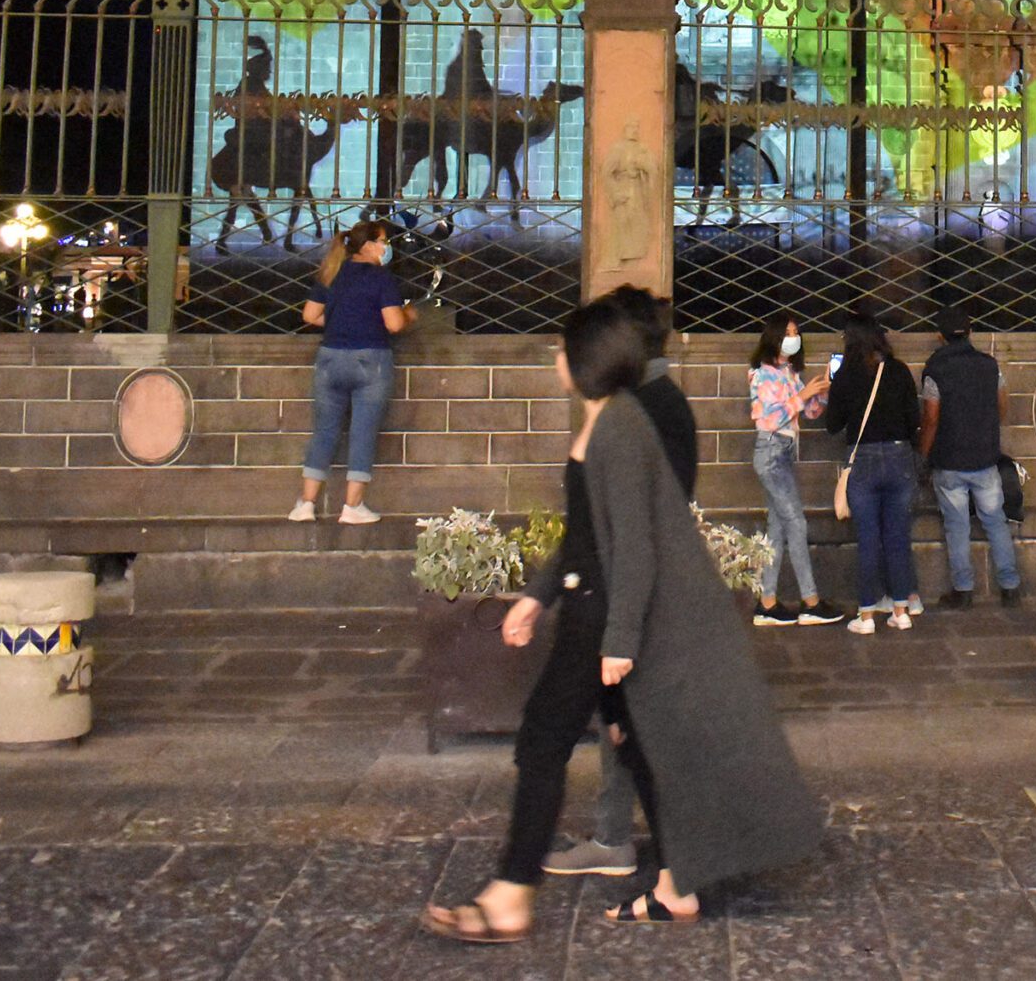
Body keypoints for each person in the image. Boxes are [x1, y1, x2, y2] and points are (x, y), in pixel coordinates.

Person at [422, 296, 825, 941]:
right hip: (596, 606)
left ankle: (511, 894)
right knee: (637, 748)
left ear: (585, 360)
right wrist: (537, 596)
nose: (557, 356)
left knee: (544, 740)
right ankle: (675, 886)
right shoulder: (608, 421)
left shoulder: (620, 428)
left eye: (564, 347)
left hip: (604, 617)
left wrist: (619, 641)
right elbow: (588, 533)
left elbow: (634, 544)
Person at [545, 285, 715, 880]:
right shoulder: (652, 401)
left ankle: (658, 852)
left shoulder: (640, 410)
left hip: (640, 596)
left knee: (633, 726)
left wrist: (620, 626)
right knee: (627, 724)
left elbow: (633, 529)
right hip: (635, 591)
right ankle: (624, 839)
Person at [290, 221, 411, 525]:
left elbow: (310, 315)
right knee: (362, 433)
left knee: (324, 431)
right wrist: (409, 314)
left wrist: (341, 321)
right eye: (382, 242)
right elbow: (394, 323)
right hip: (370, 359)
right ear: (368, 246)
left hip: (330, 358)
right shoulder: (381, 278)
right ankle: (352, 507)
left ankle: (306, 504)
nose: (386, 248)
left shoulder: (332, 272)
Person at [742, 314, 844, 628]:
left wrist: (821, 392)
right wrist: (802, 395)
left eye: (796, 332)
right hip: (771, 451)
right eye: (787, 332)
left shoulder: (789, 372)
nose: (793, 337)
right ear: (774, 337)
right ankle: (810, 601)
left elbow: (809, 411)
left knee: (777, 527)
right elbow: (770, 418)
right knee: (796, 523)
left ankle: (767, 602)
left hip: (782, 452)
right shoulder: (762, 374)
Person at [825, 312, 923, 633]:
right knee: (897, 537)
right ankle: (901, 611)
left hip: (864, 461)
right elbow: (913, 420)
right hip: (899, 458)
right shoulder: (899, 370)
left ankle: (866, 616)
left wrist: (832, 389)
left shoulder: (846, 376)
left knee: (868, 539)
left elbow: (833, 425)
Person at [921, 312, 1023, 608]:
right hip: (985, 458)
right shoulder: (990, 365)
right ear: (970, 331)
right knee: (996, 522)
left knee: (957, 527)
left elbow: (931, 417)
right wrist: (987, 428)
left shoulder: (935, 368)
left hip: (949, 460)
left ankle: (963, 590)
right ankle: (1010, 587)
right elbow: (1001, 403)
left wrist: (924, 453)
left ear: (940, 336)